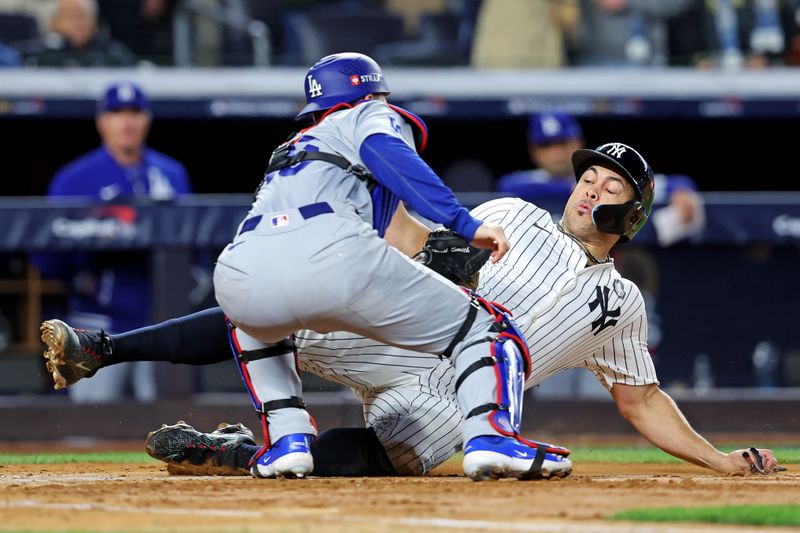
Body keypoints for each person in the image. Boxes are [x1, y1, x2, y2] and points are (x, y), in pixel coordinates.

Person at [42, 141, 783, 478]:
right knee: (282, 313)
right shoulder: (516, 212)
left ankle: (237, 451)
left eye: (610, 186)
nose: (591, 187)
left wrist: (719, 458)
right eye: (588, 174)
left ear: (633, 215)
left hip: (462, 389)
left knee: (403, 452)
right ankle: (102, 347)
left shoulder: (621, 301)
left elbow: (641, 398)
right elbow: (419, 251)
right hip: (420, 330)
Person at [34, 81, 192, 404]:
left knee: (170, 420)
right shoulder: (74, 178)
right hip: (96, 321)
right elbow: (43, 249)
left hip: (160, 319)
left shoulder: (171, 174)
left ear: (146, 119)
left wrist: (191, 283)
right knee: (89, 426)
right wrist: (81, 281)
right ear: (101, 121)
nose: (126, 121)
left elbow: (197, 240)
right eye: (116, 113)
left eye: (134, 112)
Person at [498, 111, 705, 247]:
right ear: (533, 151)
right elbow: (507, 186)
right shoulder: (523, 182)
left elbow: (667, 183)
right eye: (547, 145)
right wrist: (574, 188)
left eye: (562, 143)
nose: (556, 153)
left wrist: (681, 190)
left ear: (577, 142)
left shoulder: (605, 171)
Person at [19, 0, 137, 67]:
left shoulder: (114, 53)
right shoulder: (40, 56)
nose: (79, 24)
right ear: (52, 23)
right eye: (71, 17)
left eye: (84, 16)